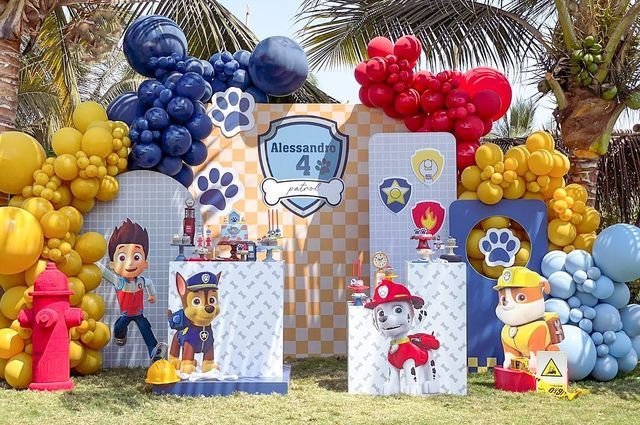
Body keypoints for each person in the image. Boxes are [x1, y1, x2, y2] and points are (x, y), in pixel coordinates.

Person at [98, 218, 166, 361]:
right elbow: (105, 273)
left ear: (145, 263)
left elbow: (149, 283)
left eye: (136, 257)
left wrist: (152, 295)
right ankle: (120, 335)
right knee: (119, 326)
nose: (130, 263)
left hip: (139, 313)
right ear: (113, 264)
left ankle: (154, 351)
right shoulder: (119, 282)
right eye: (122, 257)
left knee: (146, 328)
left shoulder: (141, 281)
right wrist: (93, 262)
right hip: (126, 314)